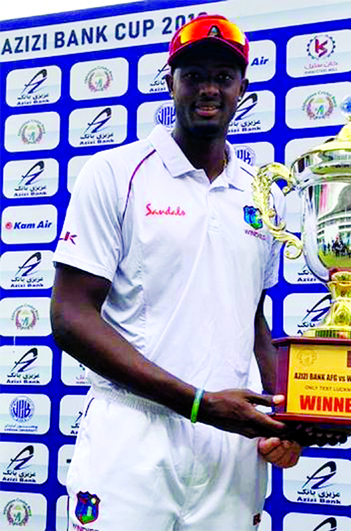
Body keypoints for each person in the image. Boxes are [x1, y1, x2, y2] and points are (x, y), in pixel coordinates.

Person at [51, 15, 308, 530]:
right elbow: (70, 313)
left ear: (244, 87)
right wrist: (197, 403)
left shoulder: (263, 194)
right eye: (193, 75)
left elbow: (251, 318)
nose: (208, 88)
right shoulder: (116, 173)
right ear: (170, 82)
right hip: (133, 432)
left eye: (223, 75)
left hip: (230, 441)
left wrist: (283, 416)